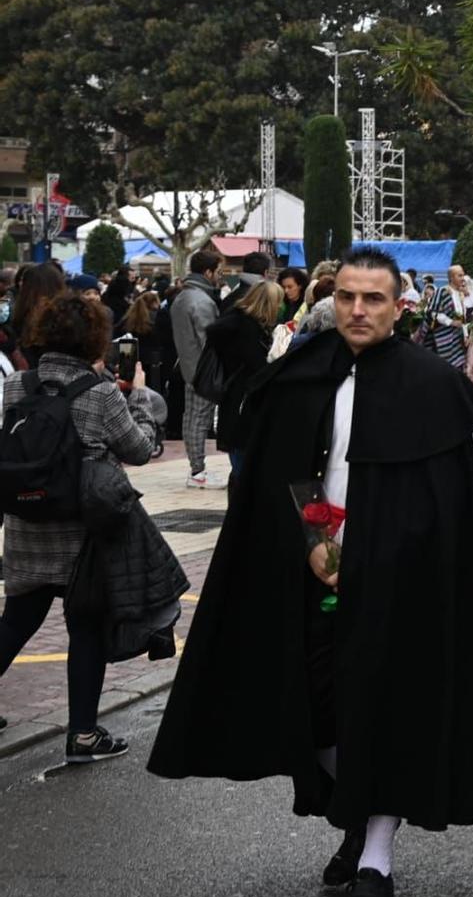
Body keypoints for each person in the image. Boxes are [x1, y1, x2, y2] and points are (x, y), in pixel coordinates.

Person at [148, 247, 473, 897]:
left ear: (399, 306)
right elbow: (274, 476)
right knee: (320, 709)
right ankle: (353, 812)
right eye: (349, 297)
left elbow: (448, 507)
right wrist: (312, 545)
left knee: (386, 712)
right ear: (334, 300)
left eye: (374, 299)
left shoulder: (430, 385)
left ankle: (376, 860)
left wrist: (394, 553)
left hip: (401, 582)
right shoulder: (301, 374)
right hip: (313, 574)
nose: (359, 310)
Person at [0, 292, 179, 763]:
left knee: (15, 622)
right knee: (86, 629)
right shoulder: (98, 392)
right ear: (95, 338)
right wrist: (138, 395)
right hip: (84, 533)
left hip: (26, 524)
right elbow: (140, 449)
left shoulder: (17, 385)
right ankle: (82, 734)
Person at [205, 280, 282, 478]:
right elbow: (257, 366)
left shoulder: (235, 322)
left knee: (239, 460)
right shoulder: (248, 329)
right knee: (244, 464)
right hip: (243, 401)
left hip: (235, 398)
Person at [171, 247, 225, 489]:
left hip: (190, 365)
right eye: (219, 271)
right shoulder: (200, 300)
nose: (221, 276)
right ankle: (197, 471)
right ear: (208, 272)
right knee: (198, 419)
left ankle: (197, 469)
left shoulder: (183, 297)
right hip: (203, 369)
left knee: (192, 418)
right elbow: (210, 339)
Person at [425, 264, 473, 371]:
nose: (462, 278)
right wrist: (451, 322)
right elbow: (433, 312)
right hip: (443, 337)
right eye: (459, 276)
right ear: (451, 277)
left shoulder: (461, 294)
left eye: (463, 275)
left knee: (458, 367)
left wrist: (466, 335)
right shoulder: (442, 291)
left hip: (458, 338)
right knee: (444, 368)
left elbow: (465, 318)